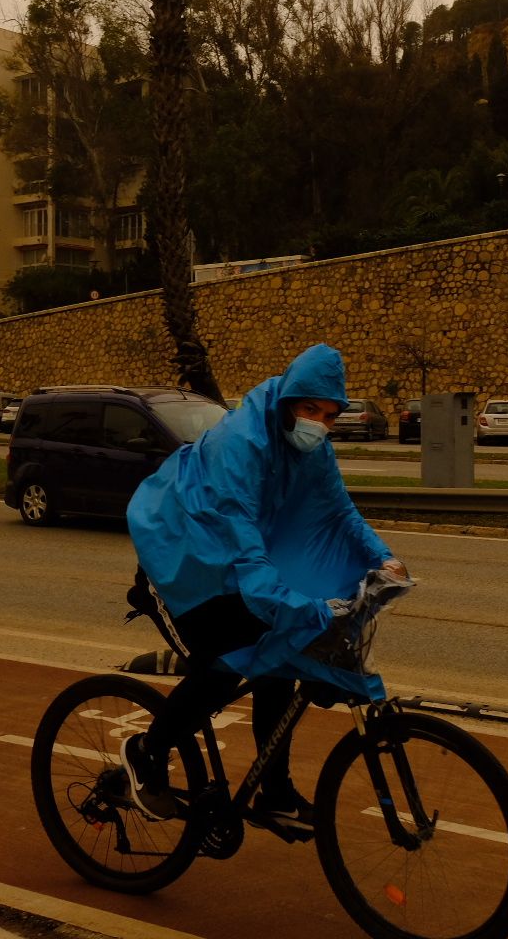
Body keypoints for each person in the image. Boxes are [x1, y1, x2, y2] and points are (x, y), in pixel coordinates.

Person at [121, 343, 408, 839]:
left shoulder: (312, 445)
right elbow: (240, 533)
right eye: (310, 410)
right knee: (223, 668)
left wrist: (383, 558)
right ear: (288, 402)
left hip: (230, 551)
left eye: (330, 415)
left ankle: (273, 792)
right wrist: (284, 599)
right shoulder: (242, 441)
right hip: (181, 551)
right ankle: (146, 752)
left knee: (281, 657)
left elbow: (339, 510)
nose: (320, 423)